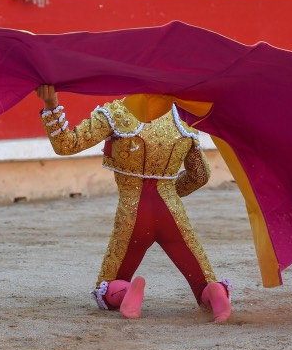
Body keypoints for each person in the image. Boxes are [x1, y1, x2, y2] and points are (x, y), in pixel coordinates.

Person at [33, 85, 232, 322]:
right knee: (202, 281)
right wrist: (170, 193)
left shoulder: (117, 113)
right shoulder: (183, 119)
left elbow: (66, 144)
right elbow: (200, 175)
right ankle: (213, 291)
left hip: (132, 213)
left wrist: (51, 105)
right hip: (172, 213)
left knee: (107, 288)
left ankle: (126, 292)